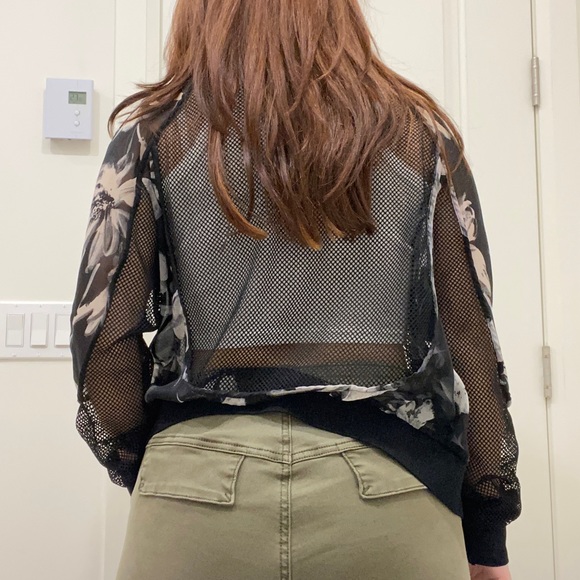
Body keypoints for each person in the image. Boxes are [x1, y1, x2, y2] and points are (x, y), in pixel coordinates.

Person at [70, 1, 521, 579]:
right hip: (389, 496)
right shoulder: (419, 133)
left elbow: (103, 346)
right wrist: (486, 534)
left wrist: (166, 471)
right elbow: (470, 339)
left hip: (193, 494)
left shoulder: (152, 134)